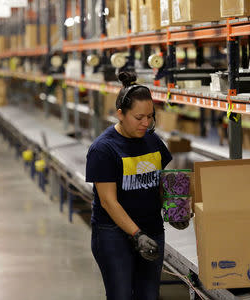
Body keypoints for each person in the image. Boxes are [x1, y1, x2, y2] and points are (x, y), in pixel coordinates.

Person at [86, 71, 189, 300]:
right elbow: (107, 201)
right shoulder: (103, 149)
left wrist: (174, 209)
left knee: (149, 295)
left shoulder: (152, 140)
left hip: (151, 229)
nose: (146, 123)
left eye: (150, 116)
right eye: (139, 117)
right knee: (121, 295)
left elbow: (159, 181)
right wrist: (137, 234)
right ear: (120, 114)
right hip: (114, 234)